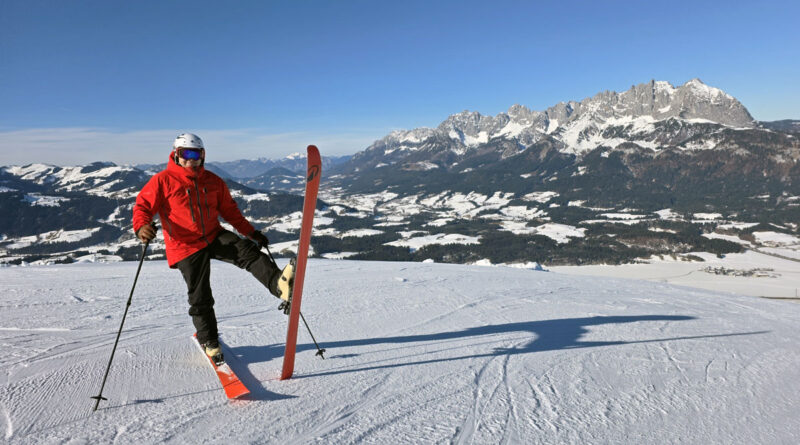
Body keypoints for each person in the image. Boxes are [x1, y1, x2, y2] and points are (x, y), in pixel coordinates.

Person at [132, 133, 294, 365]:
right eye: (184, 154)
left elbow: (230, 211)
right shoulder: (163, 180)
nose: (190, 159)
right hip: (185, 244)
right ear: (175, 155)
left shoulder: (213, 181)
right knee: (200, 296)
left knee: (247, 252)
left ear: (203, 155)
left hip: (213, 234)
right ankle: (210, 341)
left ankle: (279, 285)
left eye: (194, 154)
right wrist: (141, 226)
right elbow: (143, 206)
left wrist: (251, 232)